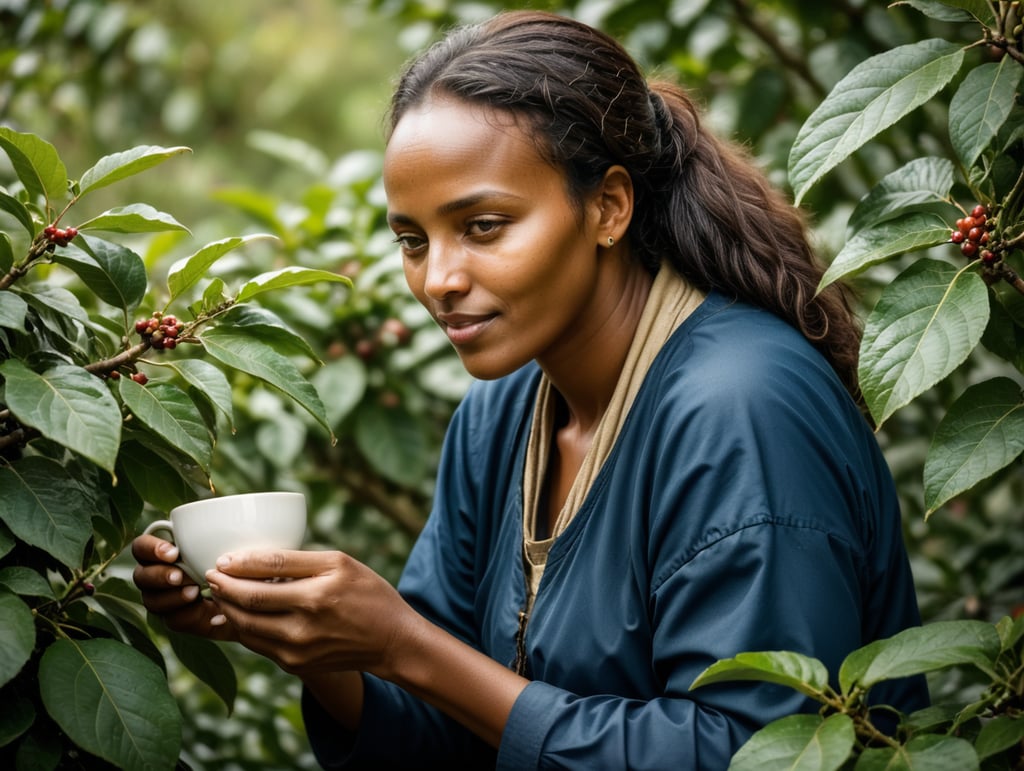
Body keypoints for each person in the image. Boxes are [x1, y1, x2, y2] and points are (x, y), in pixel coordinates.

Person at [132, 10, 929, 769]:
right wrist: (322, 647)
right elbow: (450, 731)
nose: (437, 279)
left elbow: (753, 751)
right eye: (411, 240)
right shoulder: (499, 416)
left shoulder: (742, 407)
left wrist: (404, 644)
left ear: (608, 206)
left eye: (483, 226)